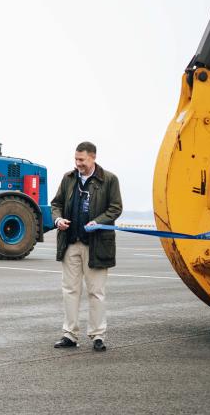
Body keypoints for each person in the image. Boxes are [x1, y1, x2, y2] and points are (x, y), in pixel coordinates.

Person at [51, 141, 122, 352]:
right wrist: (58, 220)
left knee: (96, 292)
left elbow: (115, 208)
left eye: (81, 160)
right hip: (70, 243)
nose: (78, 163)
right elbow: (56, 204)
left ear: (93, 158)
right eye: (76, 159)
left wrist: (98, 221)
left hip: (97, 245)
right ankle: (69, 334)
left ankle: (98, 335)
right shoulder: (68, 178)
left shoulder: (109, 179)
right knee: (70, 291)